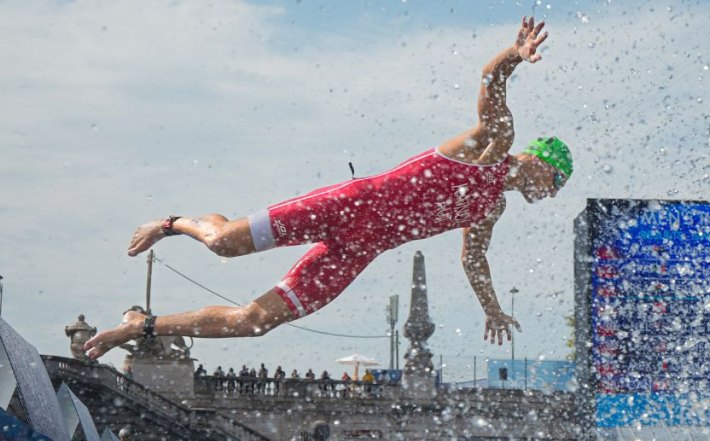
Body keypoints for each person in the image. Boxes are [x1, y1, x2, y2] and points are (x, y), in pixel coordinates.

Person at [83, 17, 572, 360]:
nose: (552, 193)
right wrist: (516, 53)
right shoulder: (495, 144)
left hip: (360, 250)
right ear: (540, 160)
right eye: (556, 180)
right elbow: (491, 76)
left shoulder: (491, 208)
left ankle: (139, 326)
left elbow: (472, 260)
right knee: (223, 244)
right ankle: (172, 223)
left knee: (254, 321)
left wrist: (493, 311)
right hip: (346, 207)